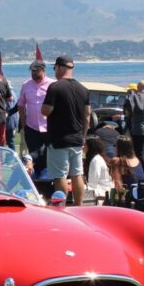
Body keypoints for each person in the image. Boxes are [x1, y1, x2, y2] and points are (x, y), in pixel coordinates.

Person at [40, 56, 90, 205]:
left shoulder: (55, 87)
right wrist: (83, 136)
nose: (55, 71)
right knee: (77, 174)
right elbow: (87, 115)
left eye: (54, 68)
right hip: (76, 139)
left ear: (60, 67)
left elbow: (46, 110)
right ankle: (78, 205)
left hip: (59, 139)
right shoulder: (83, 88)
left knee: (60, 176)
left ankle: (60, 206)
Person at [17, 60, 53, 174]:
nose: (34, 74)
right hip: (31, 128)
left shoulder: (52, 84)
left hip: (49, 128)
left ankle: (47, 180)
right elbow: (21, 105)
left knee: (48, 157)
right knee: (34, 156)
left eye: (36, 71)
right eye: (32, 71)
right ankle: (36, 181)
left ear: (43, 70)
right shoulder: (26, 85)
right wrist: (24, 125)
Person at [123, 80, 144, 181]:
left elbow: (128, 112)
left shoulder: (134, 98)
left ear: (137, 88)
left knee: (140, 153)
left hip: (138, 129)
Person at [83, 136, 114, 205]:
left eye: (85, 145)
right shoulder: (97, 158)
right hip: (101, 190)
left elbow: (92, 184)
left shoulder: (95, 160)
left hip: (101, 192)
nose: (83, 147)